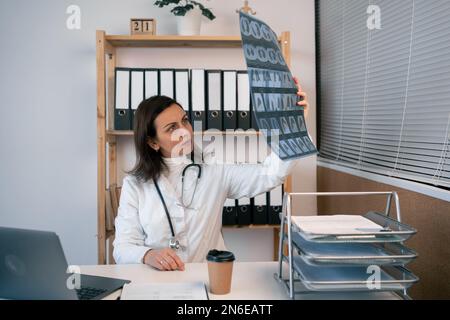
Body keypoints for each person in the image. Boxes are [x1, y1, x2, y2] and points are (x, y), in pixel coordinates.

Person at [113, 78, 309, 271]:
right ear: (152, 142)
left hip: (209, 279)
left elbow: (270, 174)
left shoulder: (214, 171)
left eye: (185, 120)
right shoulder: (135, 184)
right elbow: (122, 249)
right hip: (157, 281)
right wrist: (148, 255)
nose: (185, 131)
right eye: (172, 128)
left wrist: (294, 125)